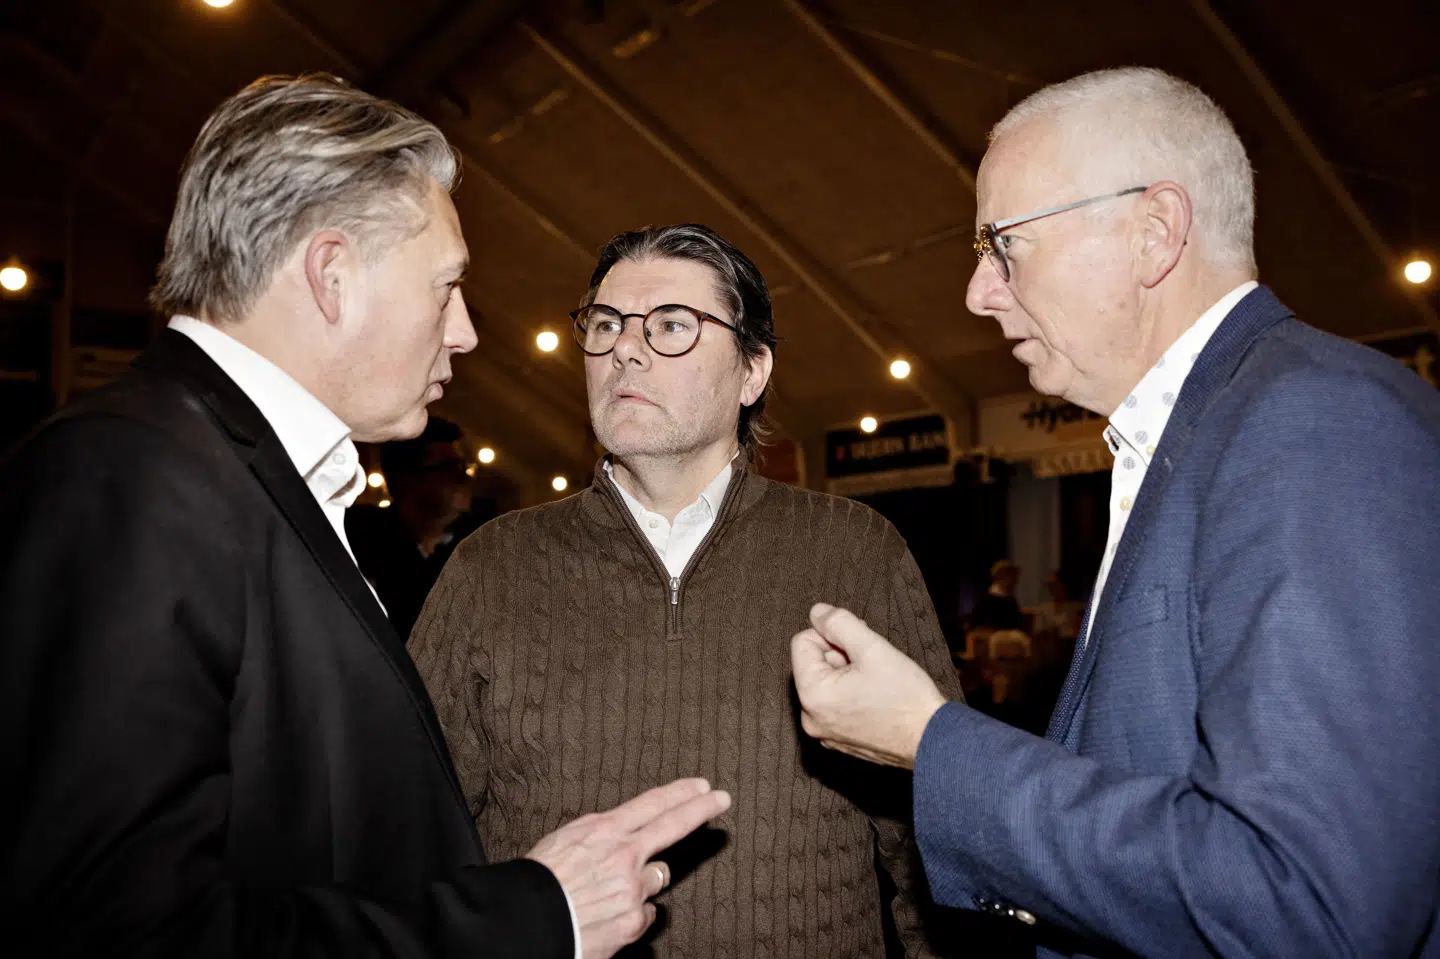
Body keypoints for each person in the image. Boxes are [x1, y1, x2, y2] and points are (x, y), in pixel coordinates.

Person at [0, 75, 729, 958]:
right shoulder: (131, 478)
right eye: (446, 286)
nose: (464, 331)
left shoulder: (245, 479)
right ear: (332, 275)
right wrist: (534, 915)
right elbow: (118, 929)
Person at [790, 67, 1440, 958]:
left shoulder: (1315, 422)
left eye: (1004, 243)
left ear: (1154, 232)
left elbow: (1307, 902)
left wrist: (931, 743)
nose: (978, 292)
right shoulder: (1203, 437)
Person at [411, 224, 961, 957]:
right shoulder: (488, 569)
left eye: (671, 325)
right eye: (605, 325)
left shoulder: (856, 552)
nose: (624, 350)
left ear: (752, 372)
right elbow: (412, 835)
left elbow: (935, 832)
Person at [348, 416, 473, 639]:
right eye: (449, 468)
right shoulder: (362, 543)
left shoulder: (476, 547)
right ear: (406, 479)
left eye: (464, 466)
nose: (463, 477)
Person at [965, 558, 1025, 632]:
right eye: (1012, 577)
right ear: (1001, 577)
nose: (1015, 583)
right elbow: (976, 625)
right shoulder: (987, 601)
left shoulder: (1010, 601)